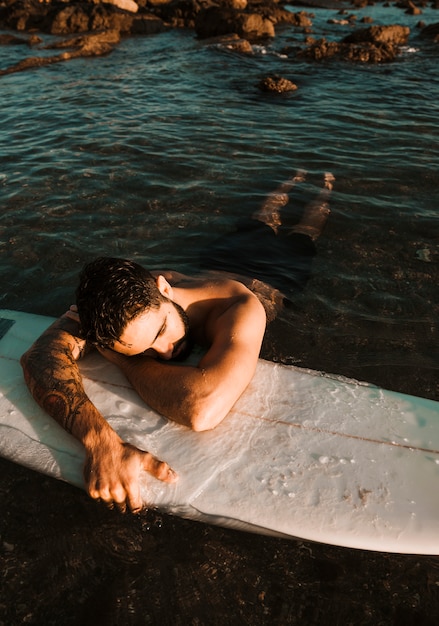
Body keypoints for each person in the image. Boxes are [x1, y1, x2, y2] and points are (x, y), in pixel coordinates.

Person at [20, 170, 334, 513]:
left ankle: (318, 185)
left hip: (275, 274)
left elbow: (201, 410)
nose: (165, 352)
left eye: (159, 333)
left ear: (163, 288)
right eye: (144, 351)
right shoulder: (128, 304)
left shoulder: (241, 309)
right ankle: (290, 183)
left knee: (303, 230)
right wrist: (101, 443)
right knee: (259, 221)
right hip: (218, 264)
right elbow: (38, 359)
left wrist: (125, 360)